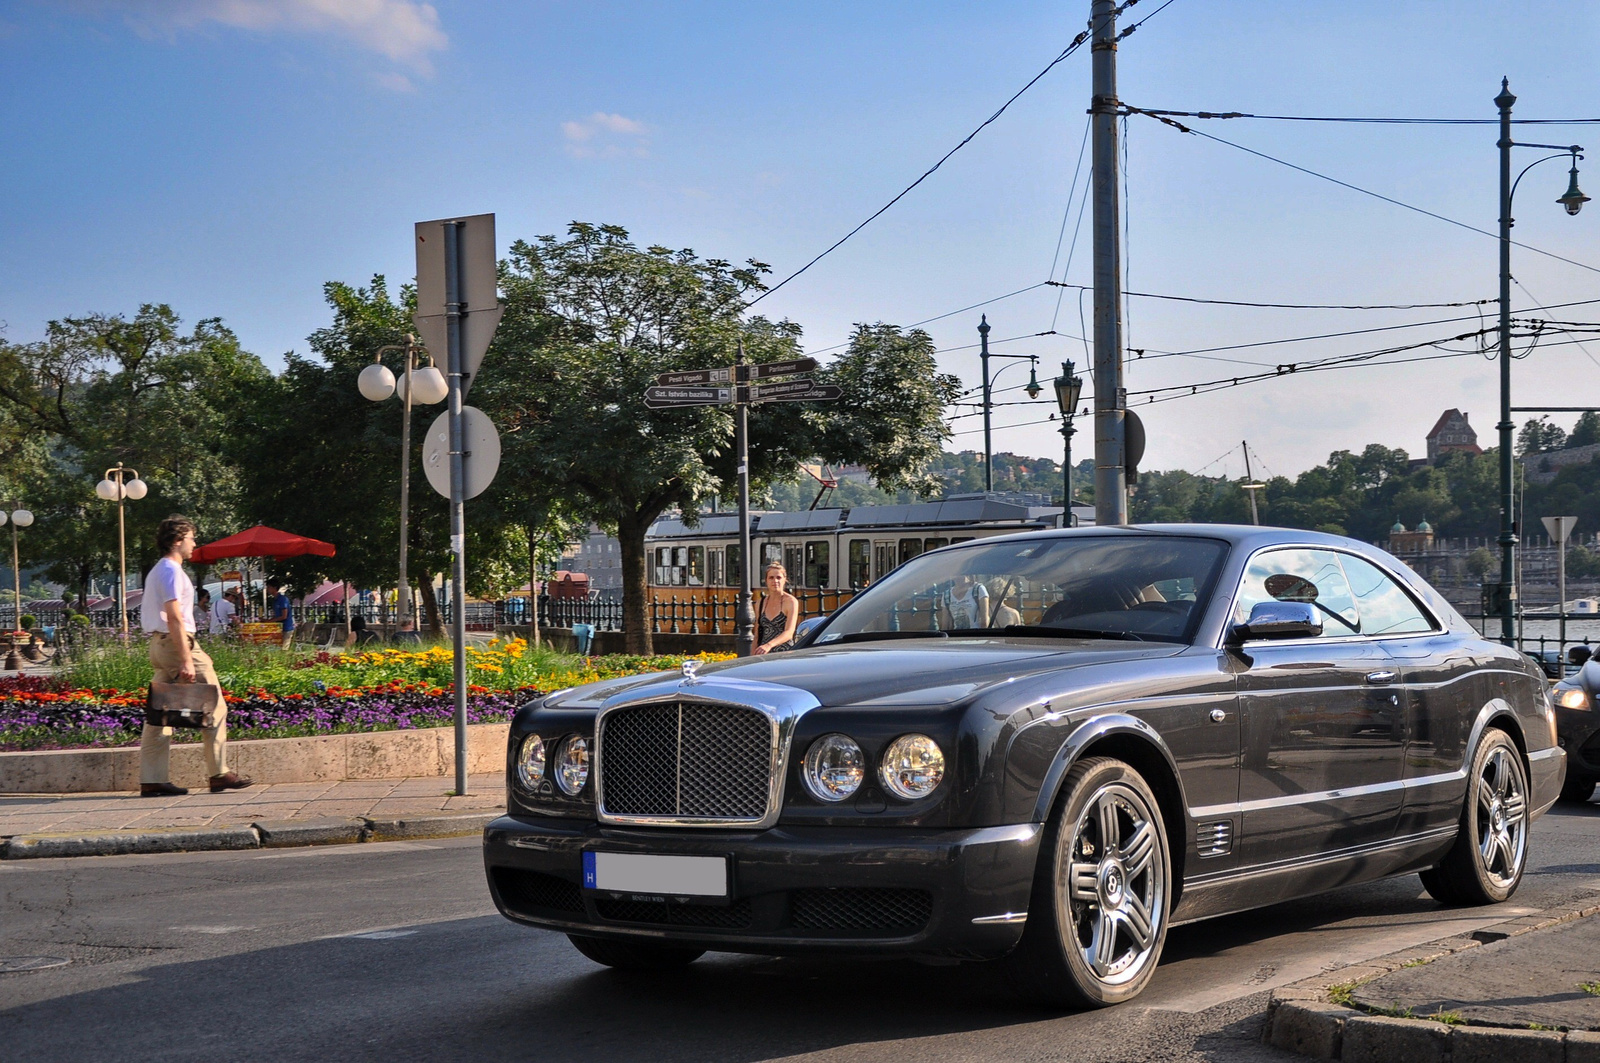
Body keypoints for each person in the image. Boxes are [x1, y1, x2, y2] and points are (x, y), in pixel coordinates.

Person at [138, 516, 251, 797]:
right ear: (177, 541)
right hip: (176, 644)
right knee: (214, 704)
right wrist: (187, 659)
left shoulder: (159, 570)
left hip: (161, 644)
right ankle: (219, 773)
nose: (194, 542)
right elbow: (174, 617)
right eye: (191, 537)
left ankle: (152, 779)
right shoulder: (171, 571)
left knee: (159, 712)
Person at [753, 561, 799, 655]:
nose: (775, 581)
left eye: (778, 577)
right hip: (764, 653)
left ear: (784, 580)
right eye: (771, 578)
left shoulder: (791, 602)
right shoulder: (760, 603)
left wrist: (769, 645)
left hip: (784, 653)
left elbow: (789, 632)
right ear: (766, 581)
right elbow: (757, 634)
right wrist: (752, 655)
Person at [266, 578, 294, 649]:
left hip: (286, 628)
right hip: (279, 628)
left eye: (269, 587)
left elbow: (284, 616)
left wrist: (270, 621)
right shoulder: (275, 600)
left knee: (284, 649)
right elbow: (276, 616)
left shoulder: (283, 599)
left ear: (274, 588)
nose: (267, 589)